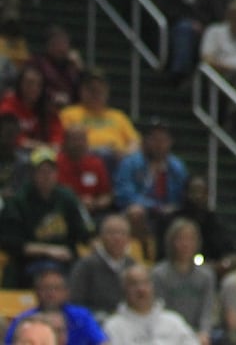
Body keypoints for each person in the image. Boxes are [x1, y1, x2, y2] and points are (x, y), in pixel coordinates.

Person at [0, 147, 92, 287]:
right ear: (32, 174)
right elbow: (11, 243)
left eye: (50, 171)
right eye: (41, 171)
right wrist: (49, 250)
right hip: (28, 263)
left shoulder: (67, 197)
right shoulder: (18, 201)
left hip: (66, 261)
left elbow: (84, 232)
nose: (46, 175)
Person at [113, 120, 188, 248]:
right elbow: (124, 194)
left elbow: (183, 194)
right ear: (146, 141)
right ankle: (144, 254)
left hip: (169, 212)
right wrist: (155, 207)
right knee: (135, 212)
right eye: (155, 140)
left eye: (163, 140)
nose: (159, 145)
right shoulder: (131, 163)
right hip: (144, 212)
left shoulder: (176, 167)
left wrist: (174, 207)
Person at [152, 217, 218, 345]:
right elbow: (160, 309)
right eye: (180, 239)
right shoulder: (159, 274)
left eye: (190, 239)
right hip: (169, 333)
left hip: (199, 333)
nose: (185, 244)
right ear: (171, 242)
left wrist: (204, 332)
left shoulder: (206, 275)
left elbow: (208, 309)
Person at [58, 69, 140, 172]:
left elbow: (134, 141)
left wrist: (125, 153)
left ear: (106, 91)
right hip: (85, 158)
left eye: (100, 89)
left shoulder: (118, 116)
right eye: (91, 89)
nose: (96, 93)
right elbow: (65, 143)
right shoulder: (69, 113)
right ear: (82, 90)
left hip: (118, 160)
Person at [3, 265, 107, 345]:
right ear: (36, 291)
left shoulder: (81, 316)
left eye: (56, 288)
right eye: (46, 288)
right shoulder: (23, 319)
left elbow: (103, 342)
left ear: (67, 292)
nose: (51, 294)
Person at [103, 264, 198, 345]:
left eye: (145, 283)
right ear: (124, 289)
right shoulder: (113, 326)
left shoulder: (173, 322)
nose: (141, 289)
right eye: (134, 284)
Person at [67, 213, 135, 322]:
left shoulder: (133, 267)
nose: (117, 238)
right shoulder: (85, 266)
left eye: (122, 233)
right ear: (101, 237)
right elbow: (75, 303)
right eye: (111, 233)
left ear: (129, 239)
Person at [56, 125, 113, 218]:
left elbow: (107, 195)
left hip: (92, 212)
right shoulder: (56, 163)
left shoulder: (96, 163)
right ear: (65, 142)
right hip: (63, 213)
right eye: (74, 139)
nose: (78, 143)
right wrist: (77, 202)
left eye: (81, 139)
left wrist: (95, 203)